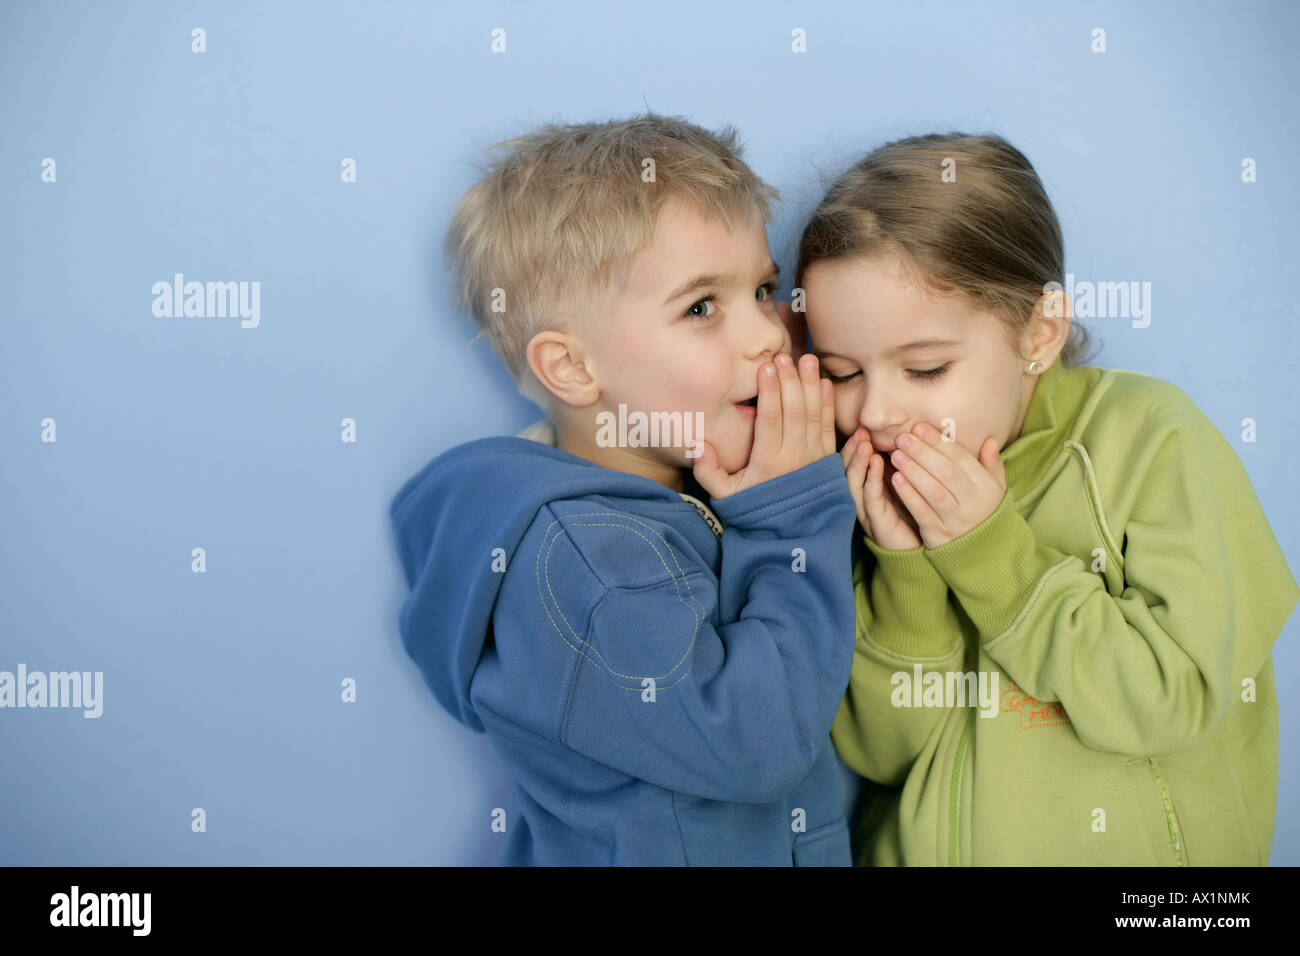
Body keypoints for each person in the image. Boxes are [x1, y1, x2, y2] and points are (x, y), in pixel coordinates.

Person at [794, 132, 1299, 865]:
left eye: (926, 369)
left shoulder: (1150, 439)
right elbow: (882, 755)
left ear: (1040, 331)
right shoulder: (872, 492)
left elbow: (1167, 700)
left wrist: (993, 555)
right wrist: (904, 579)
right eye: (843, 373)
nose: (874, 413)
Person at [389, 114, 858, 865]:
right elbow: (751, 747)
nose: (770, 333)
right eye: (702, 307)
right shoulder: (588, 563)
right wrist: (793, 524)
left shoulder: (690, 494)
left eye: (765, 287)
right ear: (572, 369)